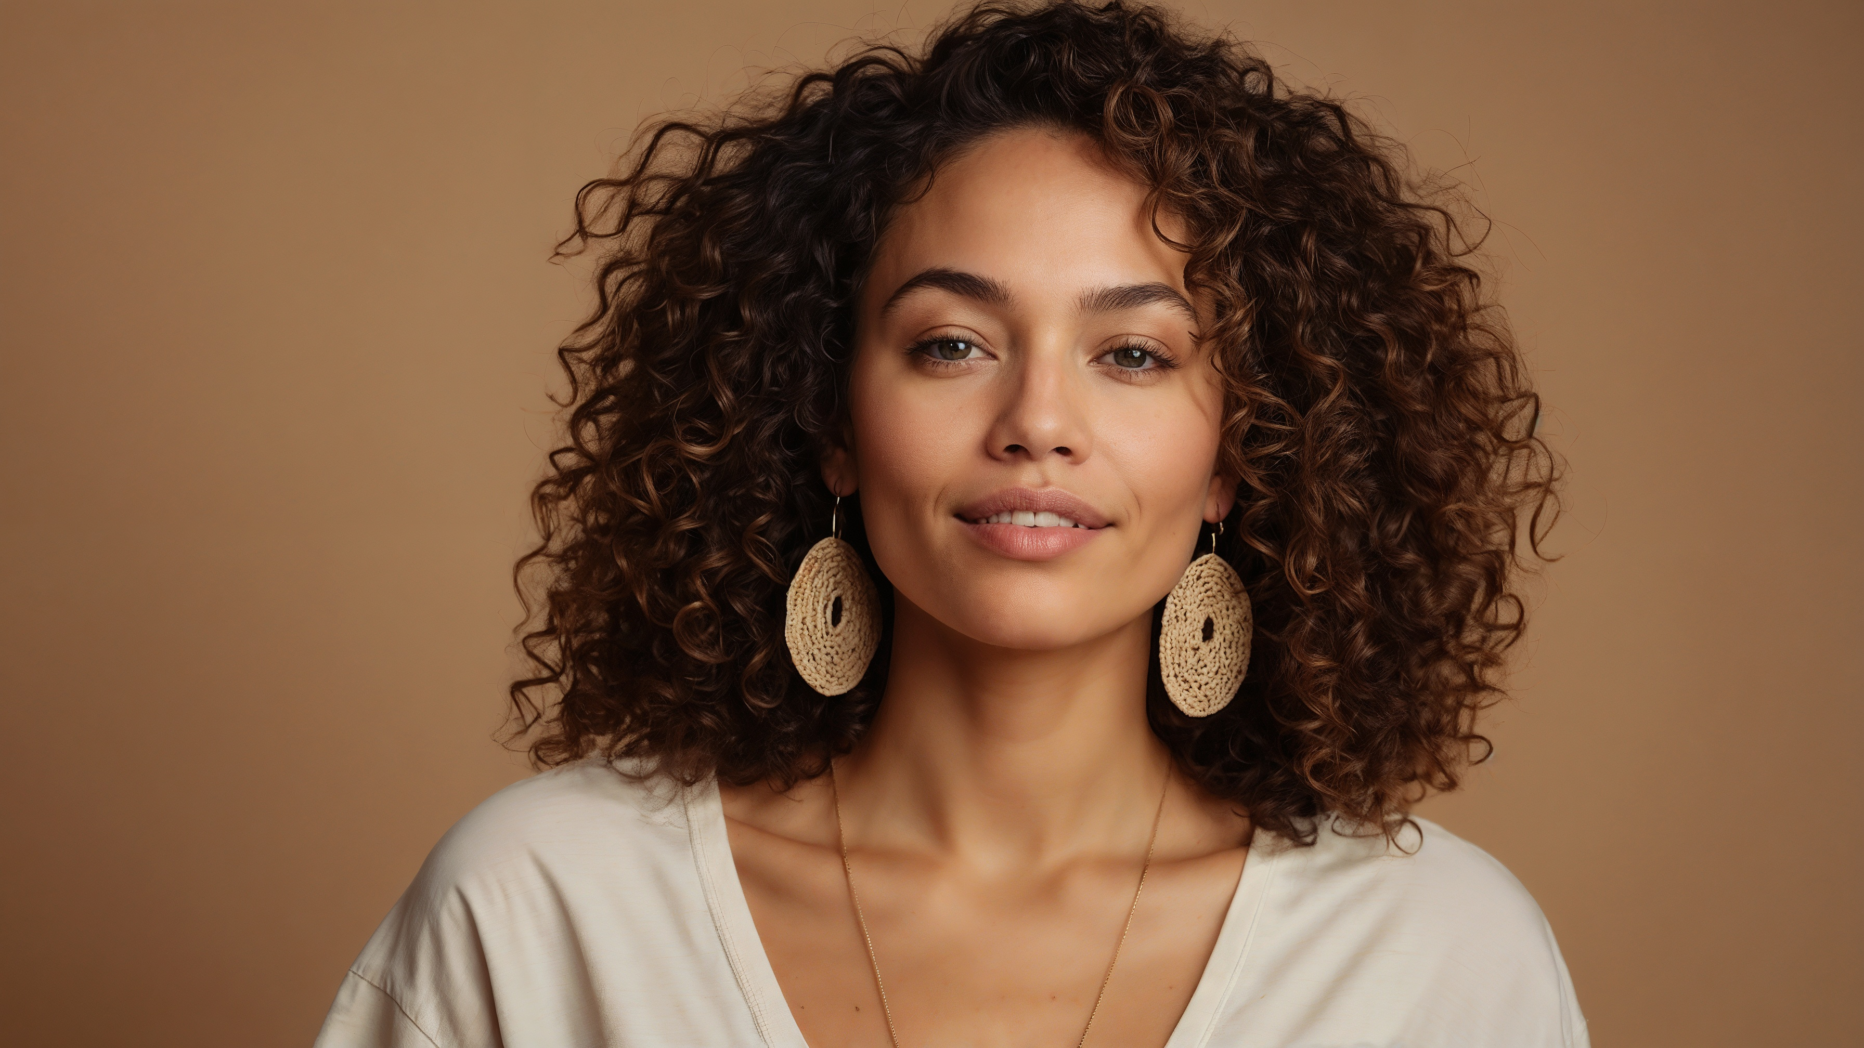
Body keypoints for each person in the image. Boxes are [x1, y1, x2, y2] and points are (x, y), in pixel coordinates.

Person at [313, 2, 1581, 1045]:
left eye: (1133, 354)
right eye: (952, 344)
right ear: (830, 418)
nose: (1037, 420)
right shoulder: (545, 911)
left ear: (1238, 457)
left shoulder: (1437, 959)